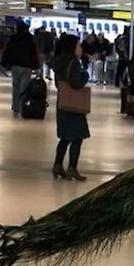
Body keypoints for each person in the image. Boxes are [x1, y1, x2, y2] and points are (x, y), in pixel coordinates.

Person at [49, 33, 91, 181]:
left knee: (65, 137)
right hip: (74, 105)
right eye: (78, 45)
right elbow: (76, 83)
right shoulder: (74, 63)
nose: (80, 48)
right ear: (72, 47)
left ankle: (58, 164)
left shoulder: (58, 62)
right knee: (77, 137)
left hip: (63, 103)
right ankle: (72, 167)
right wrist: (85, 75)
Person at [0, 22, 39, 117]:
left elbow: (7, 51)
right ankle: (23, 107)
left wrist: (4, 64)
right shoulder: (30, 39)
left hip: (15, 65)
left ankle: (15, 107)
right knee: (24, 87)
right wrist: (36, 66)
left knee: (15, 86)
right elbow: (34, 53)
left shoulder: (12, 39)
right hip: (27, 66)